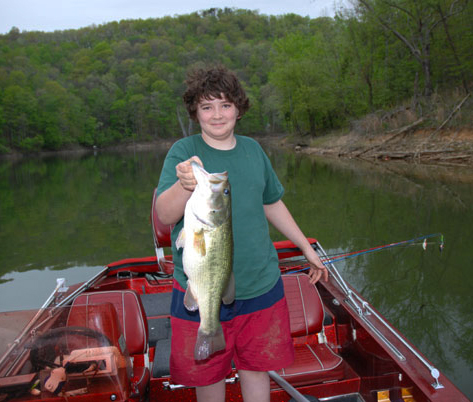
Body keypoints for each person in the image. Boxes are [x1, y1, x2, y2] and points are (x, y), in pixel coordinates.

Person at [155, 65, 328, 402]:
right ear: (195, 113)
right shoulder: (183, 152)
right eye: (207, 107)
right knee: (208, 374)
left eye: (225, 105)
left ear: (238, 108)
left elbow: (272, 203)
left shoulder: (253, 150)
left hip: (260, 283)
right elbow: (165, 214)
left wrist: (305, 247)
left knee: (256, 368)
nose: (217, 115)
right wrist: (184, 184)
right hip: (201, 288)